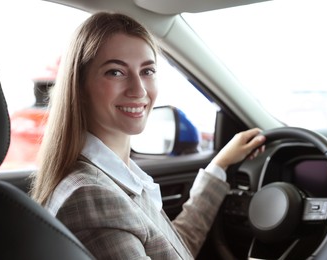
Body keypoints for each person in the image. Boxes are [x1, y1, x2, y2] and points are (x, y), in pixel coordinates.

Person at [30, 12, 266, 259]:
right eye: (115, 72)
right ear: (79, 86)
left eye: (147, 71)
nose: (138, 89)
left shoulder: (115, 177)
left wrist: (220, 165)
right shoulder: (92, 195)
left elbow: (172, 249)